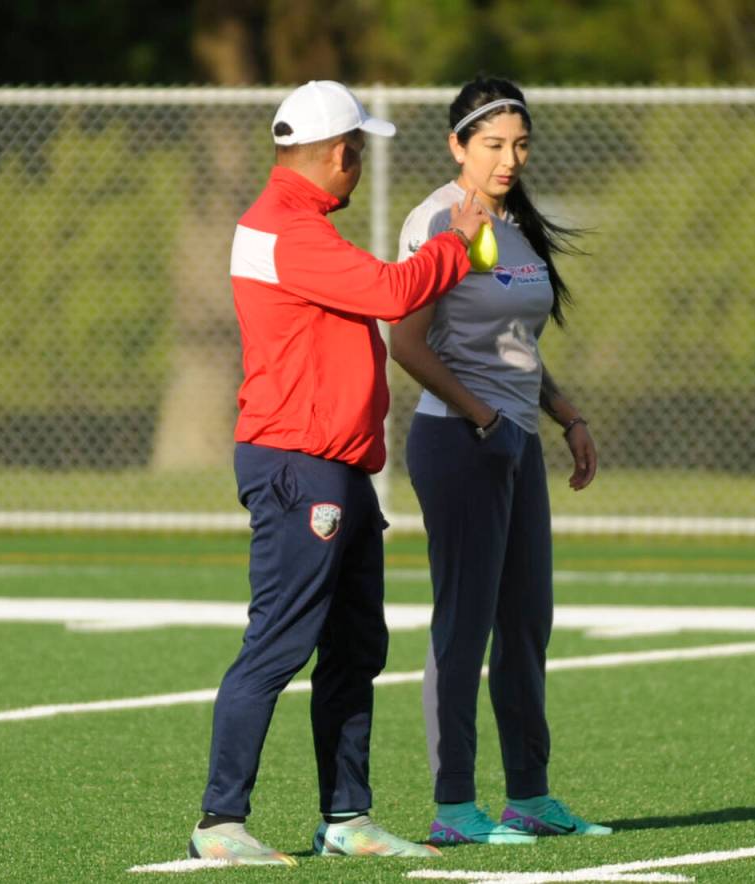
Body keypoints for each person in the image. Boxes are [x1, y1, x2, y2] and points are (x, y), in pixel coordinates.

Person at [188, 80, 489, 866]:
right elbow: (394, 294)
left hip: (338, 465)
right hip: (299, 465)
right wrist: (453, 241)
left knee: (356, 645)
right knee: (279, 644)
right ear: (339, 153)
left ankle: (345, 818)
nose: (358, 168)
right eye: (357, 154)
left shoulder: (299, 224)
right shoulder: (287, 229)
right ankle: (221, 822)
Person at [391, 76, 611, 846]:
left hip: (513, 440)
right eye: (492, 145)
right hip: (460, 441)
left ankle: (530, 795)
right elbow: (407, 344)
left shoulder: (513, 226)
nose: (509, 159)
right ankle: (454, 808)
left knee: (527, 623)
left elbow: (519, 346)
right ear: (458, 146)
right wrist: (483, 416)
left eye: (519, 144)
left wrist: (566, 414)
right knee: (466, 624)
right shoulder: (437, 222)